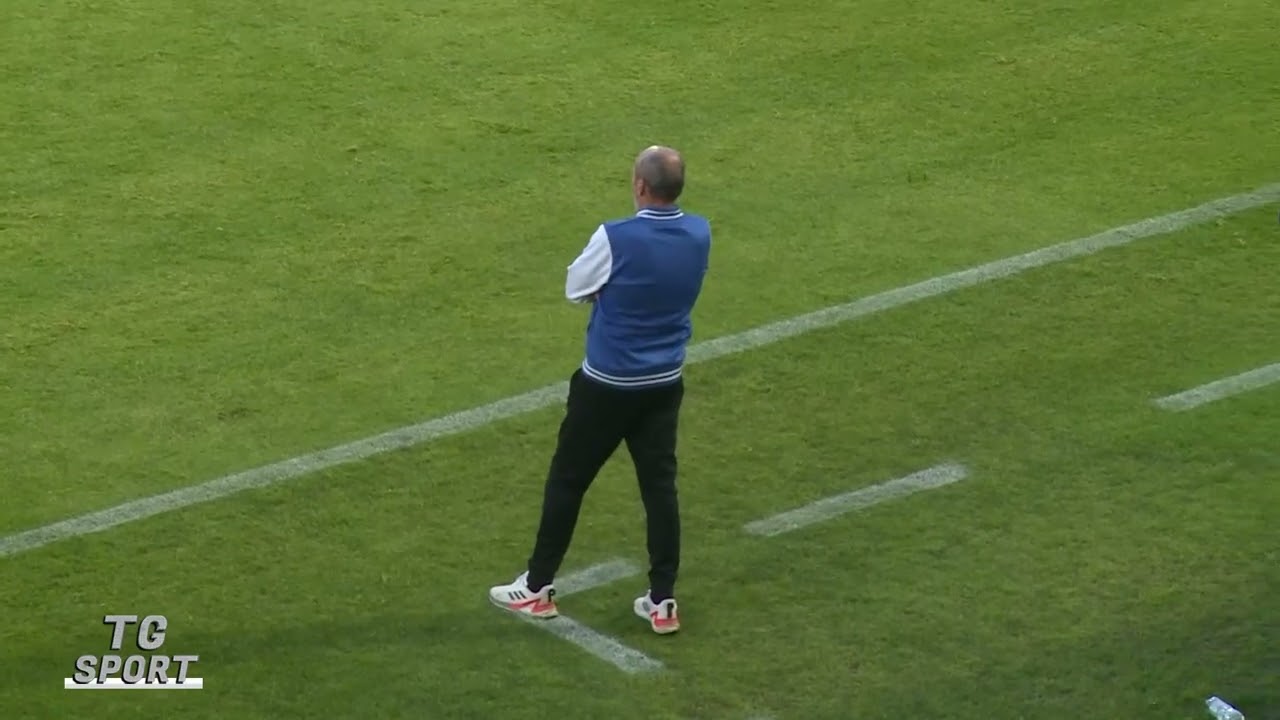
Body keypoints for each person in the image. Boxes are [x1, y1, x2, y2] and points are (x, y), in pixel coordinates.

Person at [488, 145, 712, 635]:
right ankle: (663, 600)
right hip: (665, 382)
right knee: (659, 488)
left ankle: (538, 587)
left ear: (640, 186)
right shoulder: (700, 232)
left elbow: (576, 289)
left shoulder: (616, 236)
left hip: (608, 385)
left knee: (568, 480)